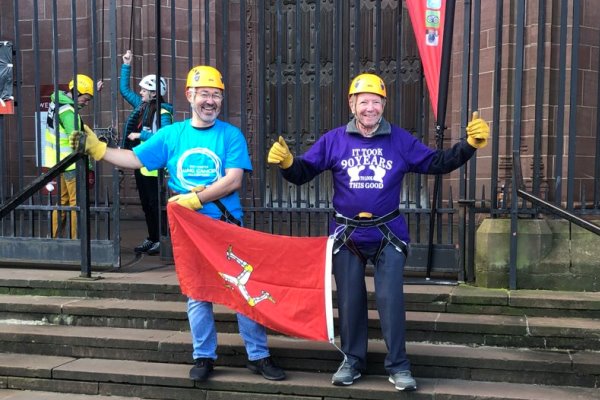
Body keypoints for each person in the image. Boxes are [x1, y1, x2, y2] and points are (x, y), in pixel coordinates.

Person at [267, 73, 489, 391]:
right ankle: (352, 361)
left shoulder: (400, 140)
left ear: (383, 105)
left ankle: (398, 366)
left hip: (388, 234)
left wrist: (467, 147)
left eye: (376, 101)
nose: (370, 108)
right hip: (347, 235)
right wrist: (288, 164)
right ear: (351, 104)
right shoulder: (334, 140)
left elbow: (437, 162)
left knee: (390, 300)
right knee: (350, 300)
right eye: (364, 101)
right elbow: (303, 173)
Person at [70, 65, 286, 383]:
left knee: (245, 291)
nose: (210, 101)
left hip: (226, 227)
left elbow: (233, 181)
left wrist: (196, 200)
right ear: (189, 96)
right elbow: (135, 159)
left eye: (215, 95)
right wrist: (99, 150)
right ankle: (203, 356)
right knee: (198, 295)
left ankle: (258, 355)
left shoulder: (230, 135)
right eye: (204, 94)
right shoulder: (171, 135)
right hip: (190, 230)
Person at [120, 50, 173, 255]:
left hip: (155, 167)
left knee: (156, 205)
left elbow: (164, 138)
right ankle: (152, 238)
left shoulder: (163, 111)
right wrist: (127, 65)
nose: (140, 92)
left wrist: (139, 136)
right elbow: (124, 90)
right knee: (146, 205)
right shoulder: (142, 107)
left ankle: (162, 239)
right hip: (141, 162)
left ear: (153, 93)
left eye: (144, 90)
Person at [44, 74, 101, 238]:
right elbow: (77, 142)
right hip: (71, 163)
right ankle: (78, 241)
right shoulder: (69, 113)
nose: (87, 102)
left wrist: (92, 92)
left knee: (62, 202)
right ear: (76, 93)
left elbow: (72, 107)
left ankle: (52, 237)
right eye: (86, 98)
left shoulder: (58, 102)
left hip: (58, 162)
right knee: (78, 204)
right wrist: (89, 167)